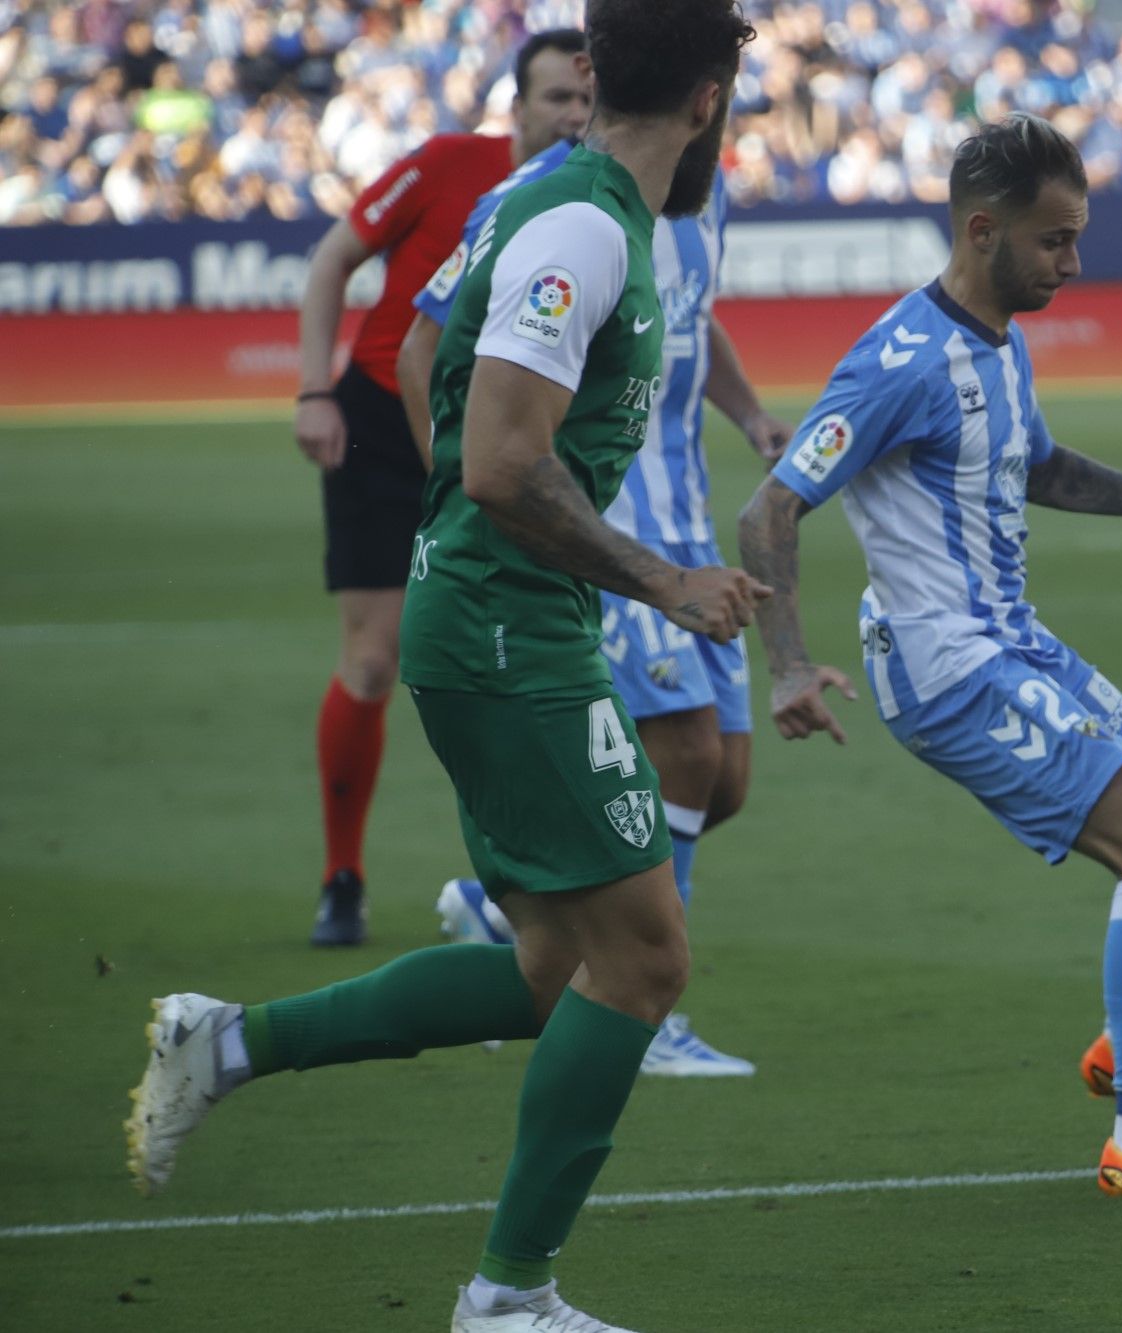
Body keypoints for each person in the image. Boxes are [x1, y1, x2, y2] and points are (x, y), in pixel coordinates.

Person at [125, 3, 766, 1328]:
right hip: (506, 633)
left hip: (501, 614)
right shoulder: (588, 228)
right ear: (709, 105)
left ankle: (224, 1041)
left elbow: (419, 351)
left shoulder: (565, 207)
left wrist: (466, 544)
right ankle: (509, 1296)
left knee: (547, 972)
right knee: (645, 962)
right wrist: (661, 580)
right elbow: (497, 460)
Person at [736, 113, 1122, 1197]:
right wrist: (788, 664)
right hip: (948, 669)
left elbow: (1031, 463)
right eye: (1053, 242)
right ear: (981, 229)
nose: (1072, 264)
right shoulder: (900, 360)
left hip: (1011, 639)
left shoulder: (997, 334)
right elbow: (767, 511)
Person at [413, 158, 794, 1080]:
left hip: (685, 506)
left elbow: (691, 318)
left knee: (724, 779)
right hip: (599, 518)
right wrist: (464, 485)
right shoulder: (535, 199)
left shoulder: (703, 193)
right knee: (689, 754)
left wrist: (748, 416)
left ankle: (502, 910)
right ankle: (644, 1005)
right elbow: (421, 344)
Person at [292, 28, 592, 948]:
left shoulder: (587, 203)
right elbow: (332, 260)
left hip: (495, 438)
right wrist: (314, 389)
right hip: (382, 424)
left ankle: (524, 879)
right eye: (556, 100)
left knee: (510, 655)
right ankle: (343, 874)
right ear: (515, 109)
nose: (574, 118)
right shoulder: (442, 165)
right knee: (375, 661)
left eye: (586, 102)